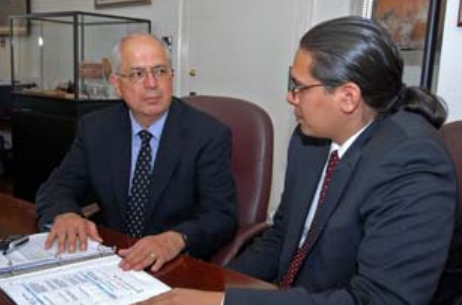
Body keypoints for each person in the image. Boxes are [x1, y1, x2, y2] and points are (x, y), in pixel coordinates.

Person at [137, 16, 458, 305]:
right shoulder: (310, 139)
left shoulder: (413, 163)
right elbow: (283, 236)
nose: (290, 97)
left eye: (299, 87)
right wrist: (214, 286)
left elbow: (379, 300)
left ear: (348, 97)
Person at [35, 33, 238, 272]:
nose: (152, 84)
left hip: (173, 265)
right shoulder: (96, 129)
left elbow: (221, 215)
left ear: (172, 76)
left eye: (160, 71)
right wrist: (65, 214)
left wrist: (176, 238)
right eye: (137, 74)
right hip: (114, 258)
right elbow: (59, 186)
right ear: (116, 83)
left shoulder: (208, 135)